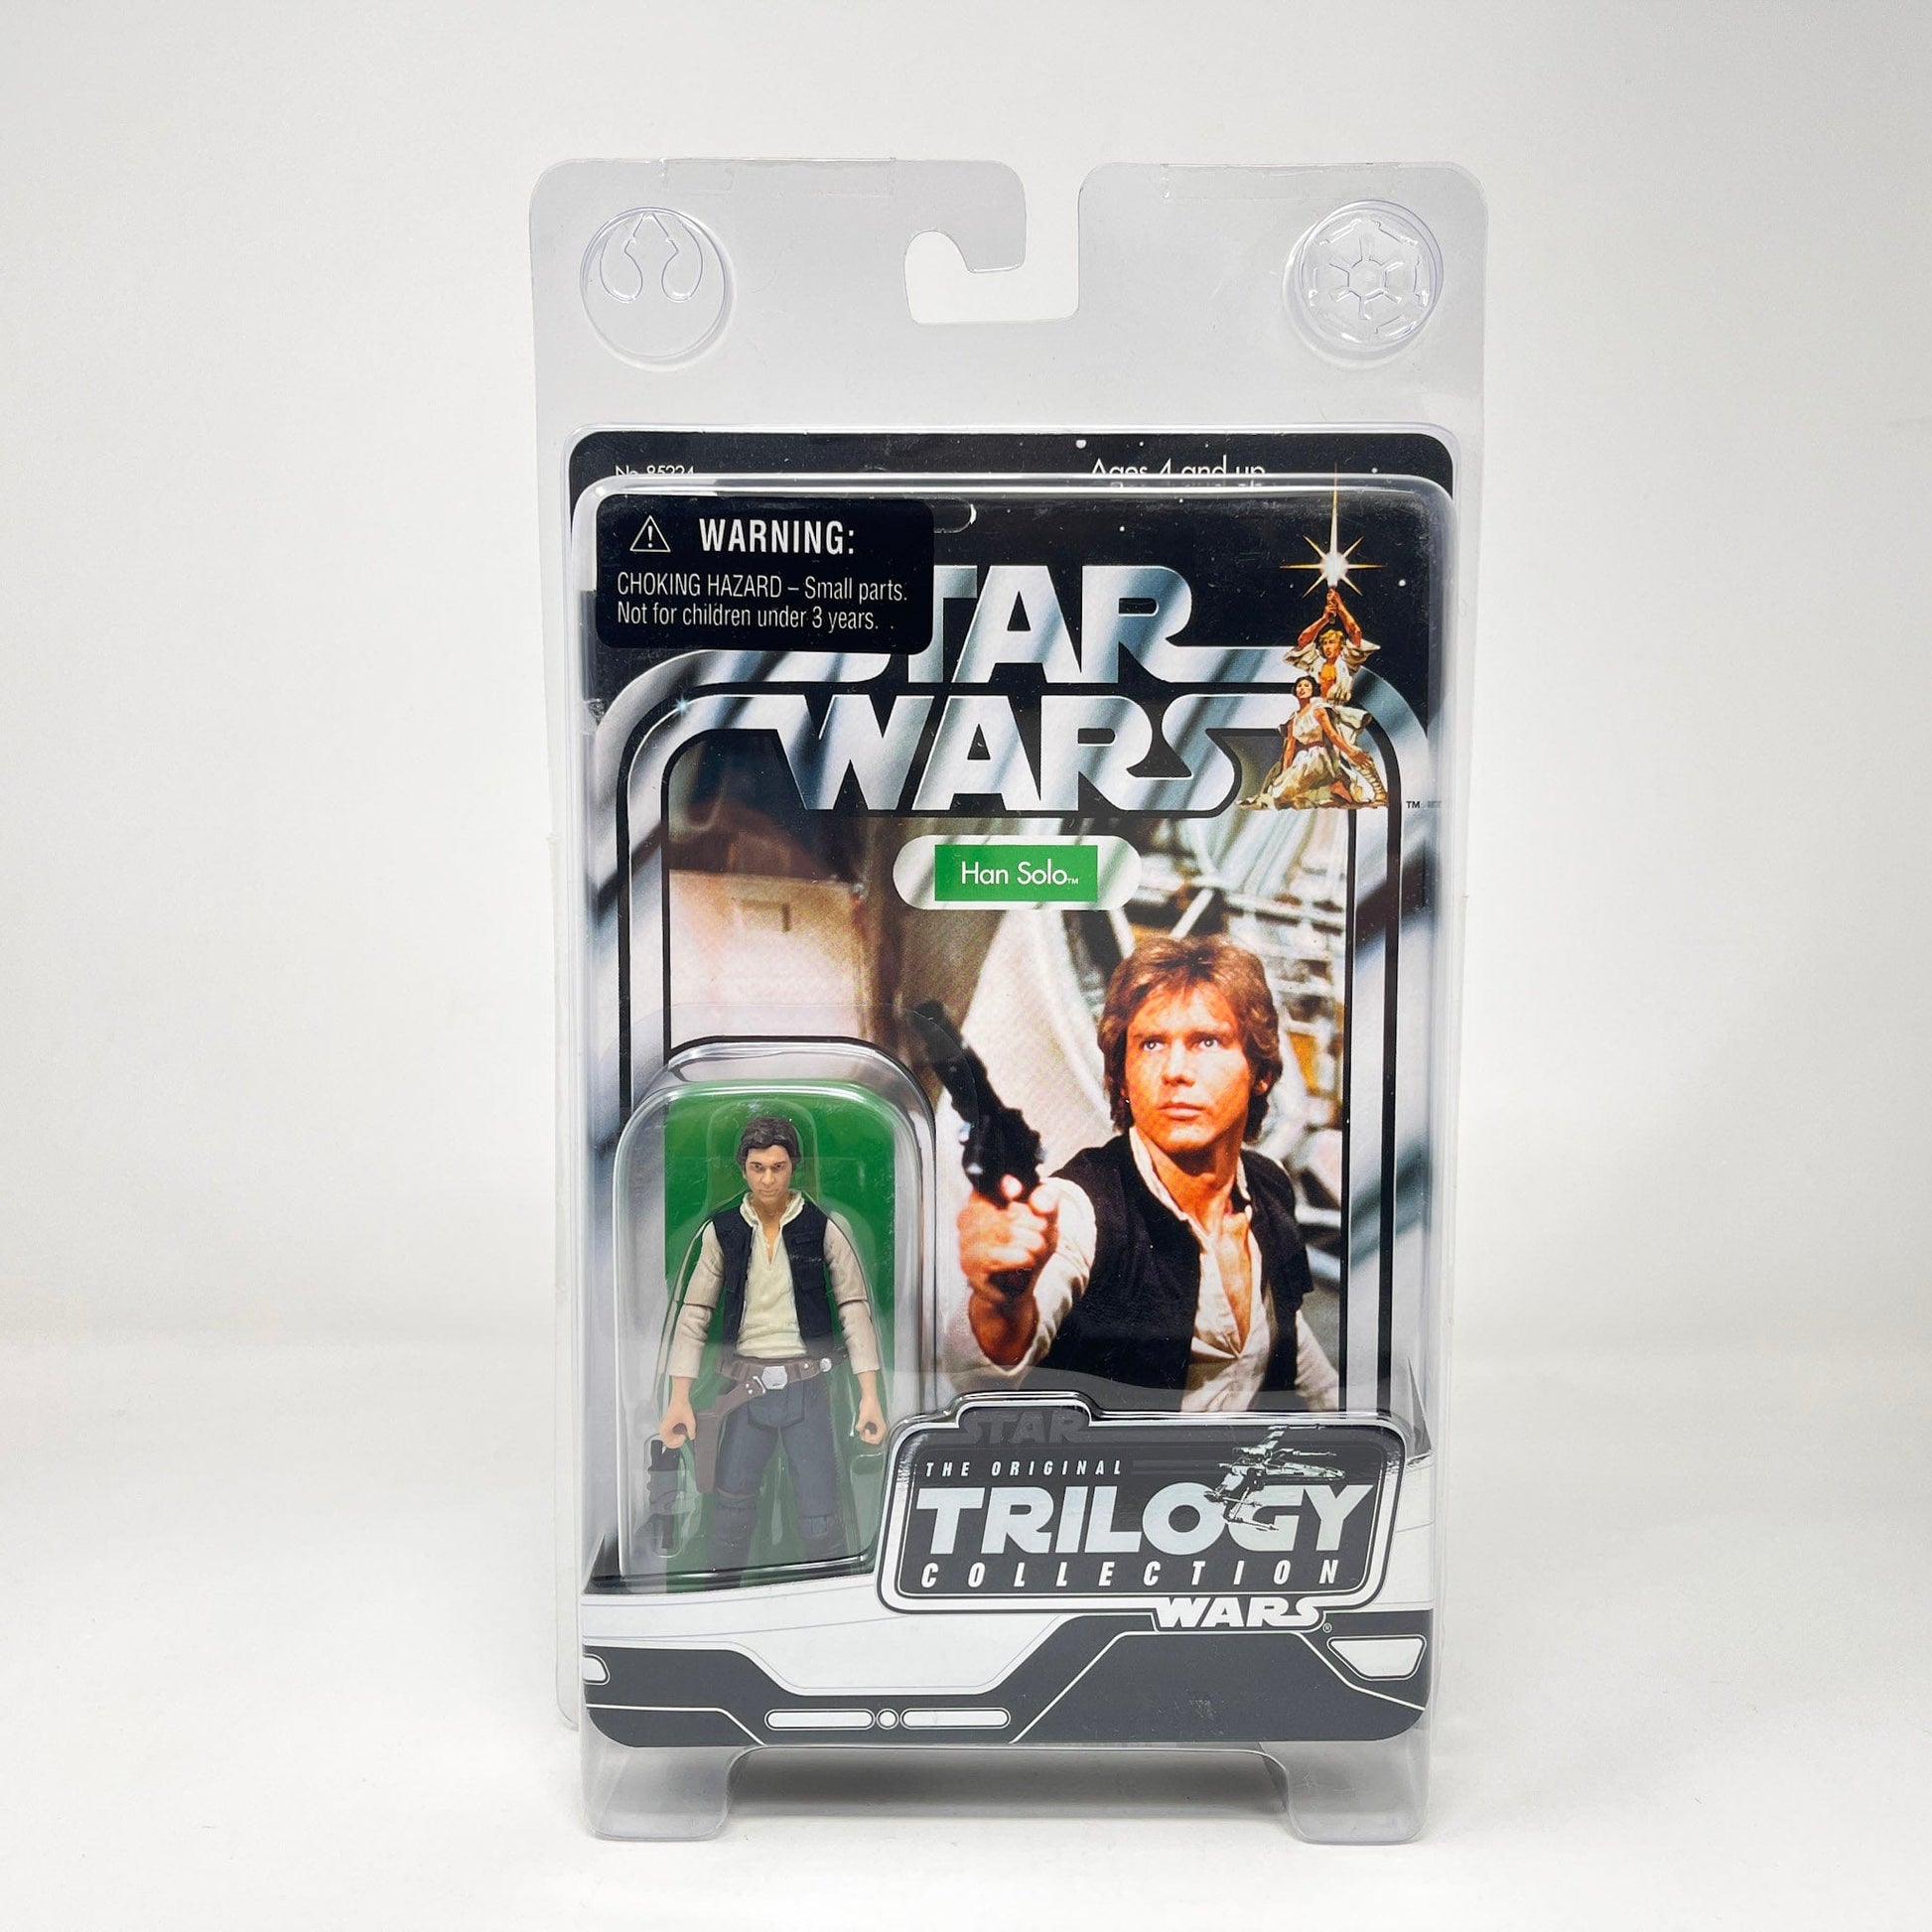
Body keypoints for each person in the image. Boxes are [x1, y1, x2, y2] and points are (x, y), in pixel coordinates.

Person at [955, 936, 1338, 1413]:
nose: (1175, 1070)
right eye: (1151, 1044)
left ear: (1259, 1072)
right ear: (1123, 1077)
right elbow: (985, 1367)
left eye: (1206, 1041)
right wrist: (1001, 1302)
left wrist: (1342, 1422)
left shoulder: (1269, 1185)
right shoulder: (1081, 1210)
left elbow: (1289, 1333)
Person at [659, 1113, 887, 1571]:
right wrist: (679, 1398)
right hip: (744, 1393)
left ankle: (830, 1594)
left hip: (809, 1390)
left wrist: (869, 1396)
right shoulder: (722, 1230)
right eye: (758, 1168)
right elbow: (694, 1314)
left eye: (778, 1167)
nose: (768, 1179)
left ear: (793, 1166)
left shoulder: (824, 1226)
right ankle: (720, 1597)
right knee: (730, 1513)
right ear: (743, 1168)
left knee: (821, 1515)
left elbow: (854, 1309)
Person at [1243, 674, 1386, 810]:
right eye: (1299, 686)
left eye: (1306, 685)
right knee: (1284, 790)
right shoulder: (1294, 719)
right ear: (1295, 690)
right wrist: (1284, 774)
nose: (1302, 688)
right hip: (1301, 759)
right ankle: (1340, 794)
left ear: (1313, 690)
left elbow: (1331, 734)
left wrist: (1350, 751)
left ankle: (1374, 792)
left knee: (1286, 794)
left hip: (1318, 756)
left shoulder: (1318, 709)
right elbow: (1289, 749)